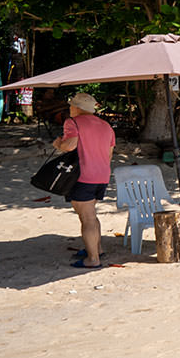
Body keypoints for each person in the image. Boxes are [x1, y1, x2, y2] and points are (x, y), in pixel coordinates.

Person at [54, 91, 115, 268]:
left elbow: (69, 145)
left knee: (87, 217)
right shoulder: (106, 126)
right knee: (90, 215)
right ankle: (96, 249)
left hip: (83, 176)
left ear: (77, 108)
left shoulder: (72, 122)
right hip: (102, 175)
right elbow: (109, 153)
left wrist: (58, 143)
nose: (70, 107)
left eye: (72, 105)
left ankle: (93, 259)